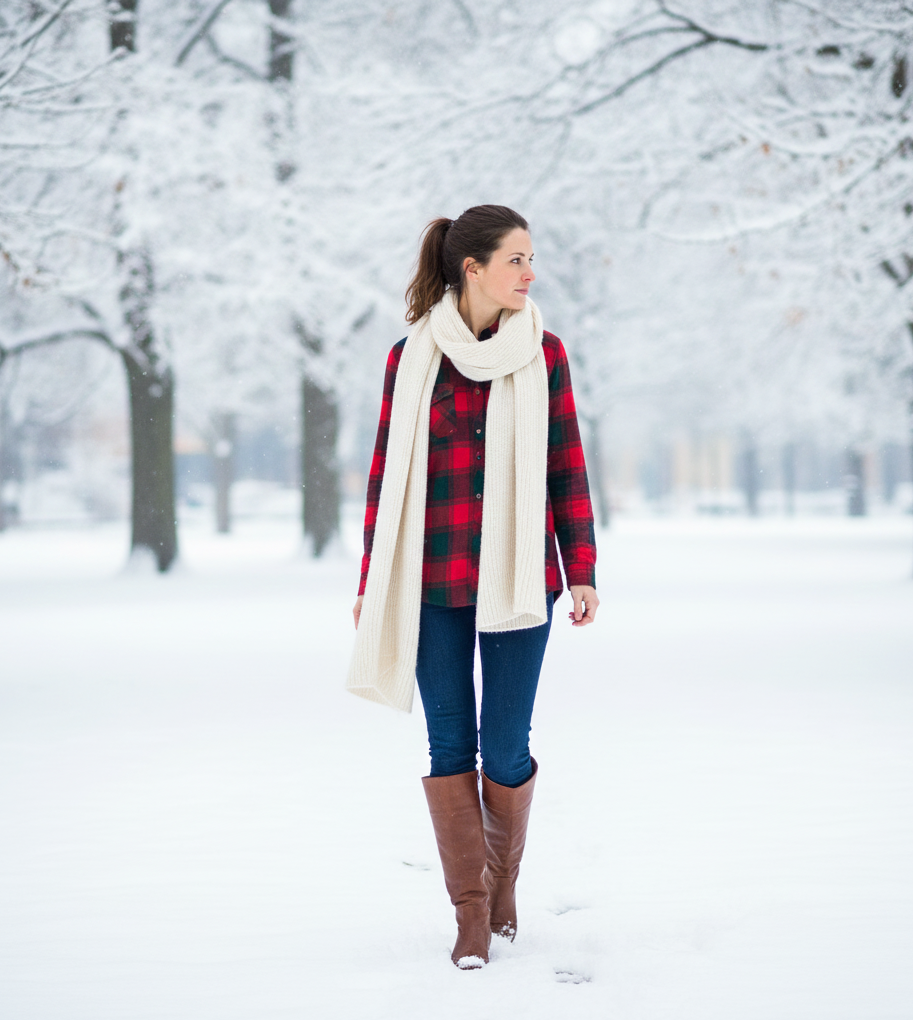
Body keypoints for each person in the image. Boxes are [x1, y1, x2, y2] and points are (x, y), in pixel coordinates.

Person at [347, 204, 598, 969]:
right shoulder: (412, 356)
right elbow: (386, 476)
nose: (530, 272)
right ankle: (470, 912)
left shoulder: (543, 353)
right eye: (516, 259)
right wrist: (369, 580)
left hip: (521, 581)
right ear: (473, 269)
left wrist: (580, 567)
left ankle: (502, 883)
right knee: (449, 741)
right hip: (429, 581)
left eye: (530, 258)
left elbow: (565, 463)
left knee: (506, 743)